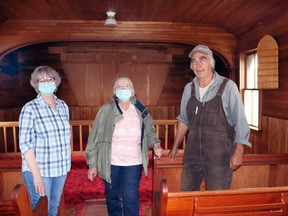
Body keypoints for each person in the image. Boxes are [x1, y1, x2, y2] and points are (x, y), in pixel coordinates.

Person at [169, 45, 251, 191]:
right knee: (186, 197)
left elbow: (240, 122)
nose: (197, 64)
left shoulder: (228, 86)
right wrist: (174, 147)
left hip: (219, 157)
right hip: (192, 155)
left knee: (216, 200)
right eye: (194, 61)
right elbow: (184, 120)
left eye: (202, 59)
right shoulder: (189, 88)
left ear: (211, 63)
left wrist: (239, 151)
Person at [85, 75, 164, 216]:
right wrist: (92, 164)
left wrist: (156, 144)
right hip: (110, 162)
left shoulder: (140, 110)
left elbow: (150, 131)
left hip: (133, 162)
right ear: (114, 91)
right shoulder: (106, 110)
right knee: (112, 196)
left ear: (133, 90)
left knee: (131, 198)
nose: (123, 89)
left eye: (126, 86)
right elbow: (93, 138)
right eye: (119, 87)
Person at [19, 66, 71, 216]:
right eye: (42, 80)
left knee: (53, 207)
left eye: (50, 79)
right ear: (36, 85)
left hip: (60, 167)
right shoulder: (30, 108)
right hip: (40, 169)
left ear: (56, 83)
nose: (46, 82)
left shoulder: (63, 106)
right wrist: (37, 175)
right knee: (42, 209)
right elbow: (25, 144)